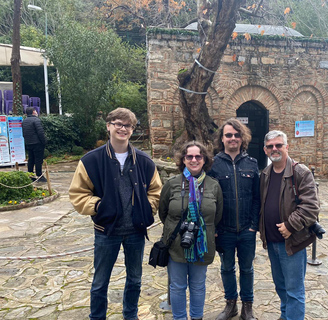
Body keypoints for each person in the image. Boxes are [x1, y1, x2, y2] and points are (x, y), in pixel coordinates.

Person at [69, 107, 162, 320]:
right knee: (100, 281)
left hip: (135, 231)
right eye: (118, 124)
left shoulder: (144, 161)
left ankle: (131, 315)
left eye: (127, 125)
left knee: (135, 280)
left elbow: (156, 191)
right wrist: (99, 207)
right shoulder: (91, 160)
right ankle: (97, 317)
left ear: (132, 129)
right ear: (108, 126)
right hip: (106, 231)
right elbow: (78, 193)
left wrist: (146, 209)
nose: (123, 128)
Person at [259, 130, 320, 320]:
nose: (274, 149)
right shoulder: (266, 173)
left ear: (287, 147)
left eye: (278, 145)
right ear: (265, 150)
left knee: (294, 291)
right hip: (271, 241)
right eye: (270, 146)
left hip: (291, 242)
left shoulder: (300, 173)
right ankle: (285, 316)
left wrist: (290, 225)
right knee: (281, 286)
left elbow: (311, 207)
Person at [159, 141, 223, 320]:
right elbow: (163, 213)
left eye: (198, 156)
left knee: (198, 286)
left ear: (204, 160)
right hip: (177, 244)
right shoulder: (172, 184)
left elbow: (217, 215)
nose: (194, 160)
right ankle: (179, 318)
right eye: (189, 156)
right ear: (183, 160)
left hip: (201, 246)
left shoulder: (213, 185)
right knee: (177, 286)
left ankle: (197, 317)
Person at [208, 118, 261, 320]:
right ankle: (231, 305)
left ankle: (247, 307)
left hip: (246, 229)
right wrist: (214, 227)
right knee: (227, 268)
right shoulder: (213, 165)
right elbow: (209, 199)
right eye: (228, 135)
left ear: (242, 138)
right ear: (222, 138)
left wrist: (253, 226)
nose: (233, 138)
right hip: (225, 230)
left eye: (236, 135)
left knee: (247, 268)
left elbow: (257, 197)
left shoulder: (252, 163)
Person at [22, 107, 46, 182]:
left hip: (28, 143)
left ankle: (30, 175)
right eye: (35, 111)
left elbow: (24, 133)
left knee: (31, 159)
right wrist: (44, 141)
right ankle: (39, 175)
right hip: (37, 143)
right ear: (33, 112)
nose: (36, 112)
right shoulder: (36, 120)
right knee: (38, 160)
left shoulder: (24, 121)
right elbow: (40, 132)